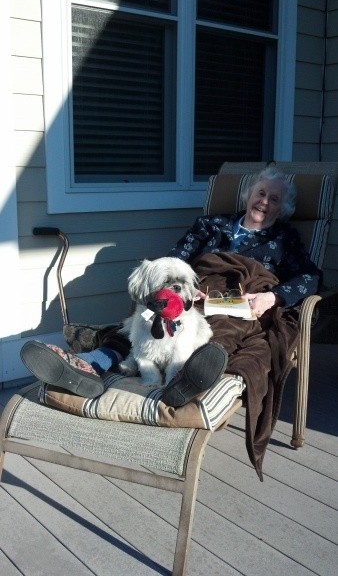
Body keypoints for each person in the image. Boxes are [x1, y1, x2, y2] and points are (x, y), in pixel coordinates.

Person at [20, 166, 321, 479]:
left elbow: (311, 277)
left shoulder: (285, 238)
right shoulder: (212, 225)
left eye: (275, 199)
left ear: (283, 208)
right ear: (249, 195)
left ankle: (190, 377)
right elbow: (178, 255)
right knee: (148, 314)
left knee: (223, 330)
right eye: (261, 193)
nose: (265, 202)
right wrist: (188, 284)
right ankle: (94, 363)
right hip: (191, 290)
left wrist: (270, 298)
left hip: (239, 302)